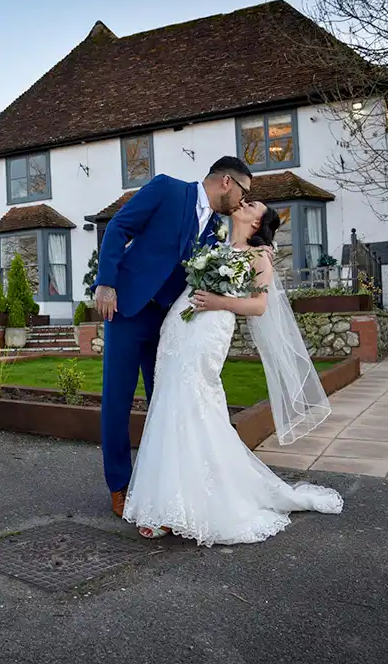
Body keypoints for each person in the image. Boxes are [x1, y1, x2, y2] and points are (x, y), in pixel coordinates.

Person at [122, 201, 343, 545]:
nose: (244, 203)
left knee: (193, 400)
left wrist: (218, 302)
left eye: (252, 204)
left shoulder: (261, 256)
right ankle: (163, 502)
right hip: (180, 327)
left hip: (210, 329)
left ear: (257, 222)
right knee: (168, 401)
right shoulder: (216, 243)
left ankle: (187, 505)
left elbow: (258, 305)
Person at [93, 156, 253, 519]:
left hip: (168, 324)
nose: (243, 202)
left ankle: (157, 484)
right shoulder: (167, 189)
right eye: (244, 192)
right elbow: (118, 228)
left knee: (162, 401)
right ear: (227, 182)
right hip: (126, 309)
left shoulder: (216, 229)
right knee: (117, 402)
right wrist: (106, 283)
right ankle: (118, 485)